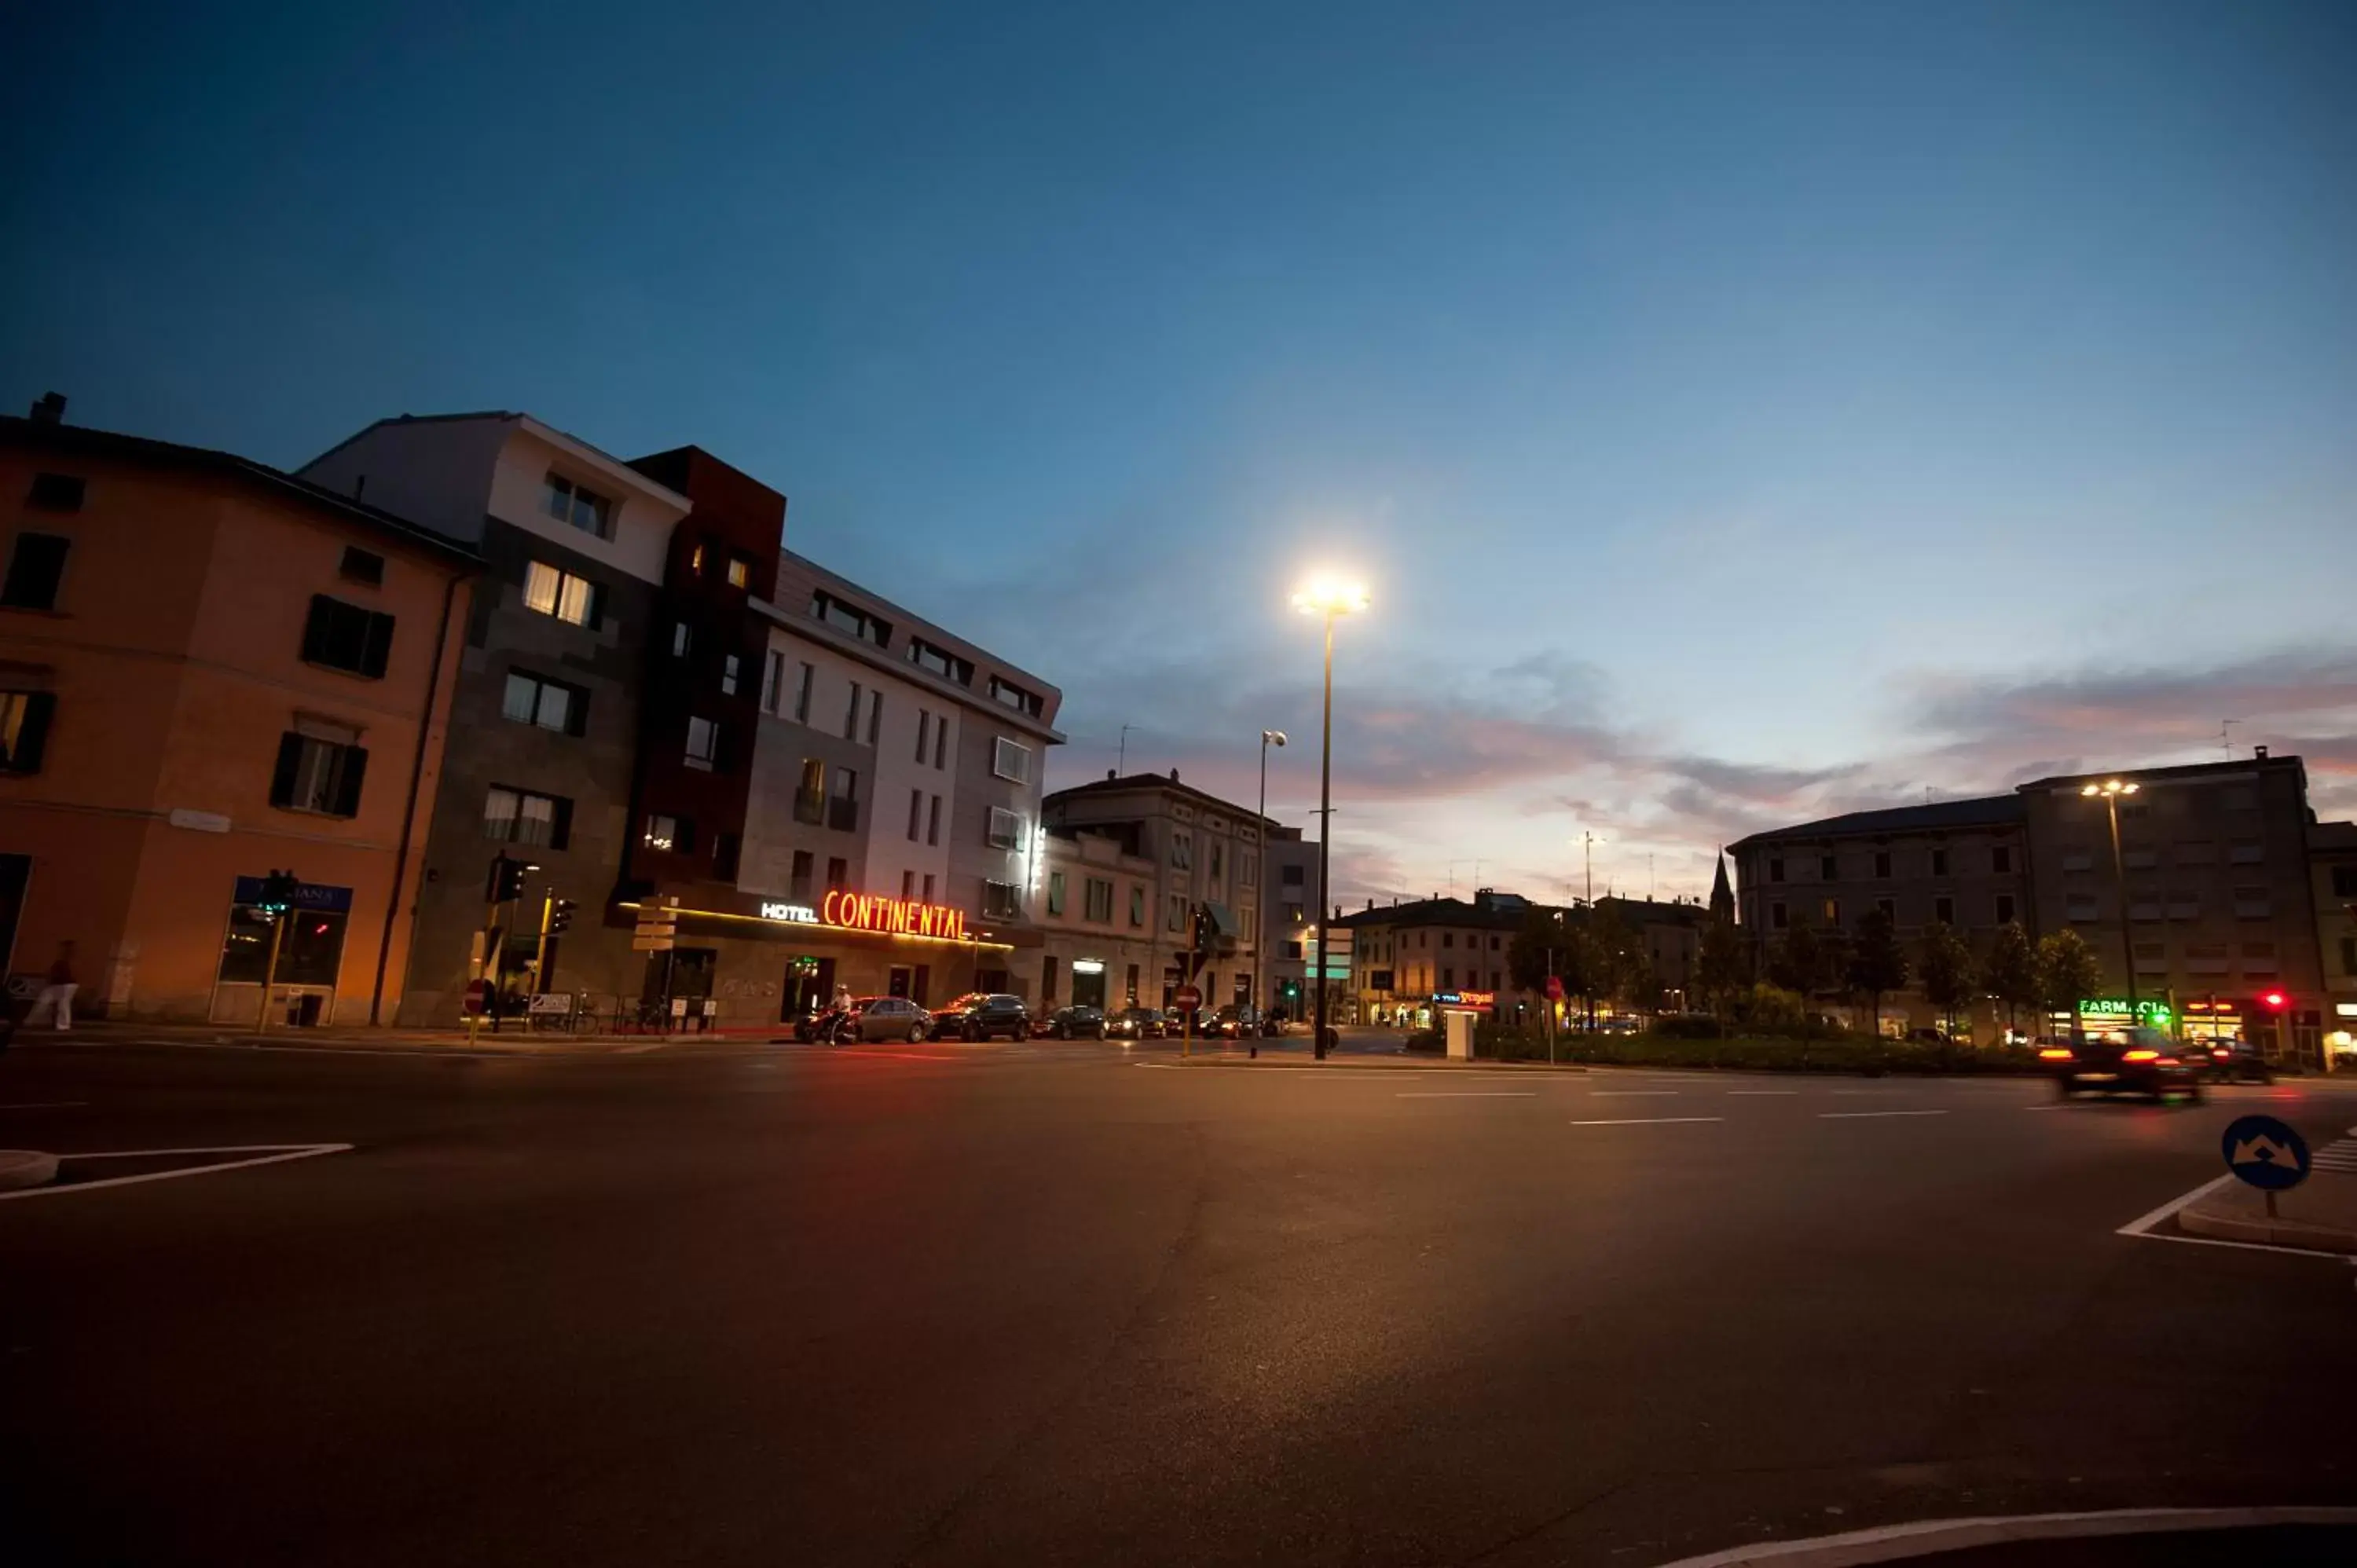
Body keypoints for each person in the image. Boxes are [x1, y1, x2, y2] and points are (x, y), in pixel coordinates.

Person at [25, 940, 78, 1031]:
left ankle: (63, 1025)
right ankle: (32, 1021)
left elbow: (68, 962)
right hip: (59, 984)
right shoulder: (62, 960)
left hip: (66, 984)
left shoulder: (67, 959)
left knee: (63, 1003)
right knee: (44, 1001)